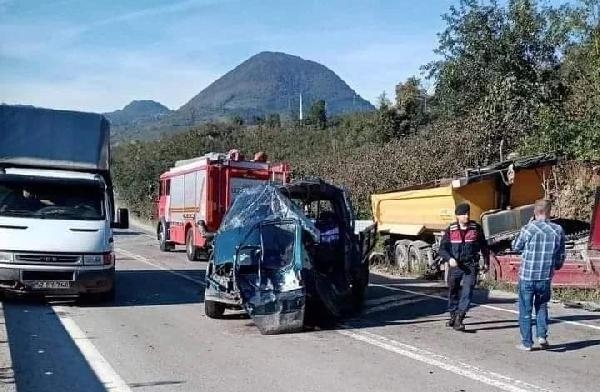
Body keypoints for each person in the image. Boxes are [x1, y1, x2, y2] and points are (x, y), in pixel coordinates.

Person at [512, 199, 565, 351]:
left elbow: (516, 246)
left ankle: (527, 343)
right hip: (545, 277)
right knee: (542, 306)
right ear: (549, 212)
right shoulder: (557, 230)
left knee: (525, 309)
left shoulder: (528, 229)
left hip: (527, 277)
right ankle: (542, 336)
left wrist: (529, 224)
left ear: (534, 212)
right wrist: (557, 266)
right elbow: (561, 254)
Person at [439, 203, 490, 331]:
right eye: (463, 214)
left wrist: (486, 262)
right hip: (455, 266)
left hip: (470, 265)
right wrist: (449, 259)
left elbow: (484, 246)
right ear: (457, 216)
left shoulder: (475, 228)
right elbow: (442, 249)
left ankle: (459, 318)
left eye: (468, 213)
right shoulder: (451, 230)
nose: (466, 216)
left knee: (467, 292)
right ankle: (453, 314)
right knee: (453, 291)